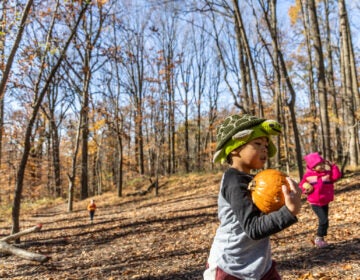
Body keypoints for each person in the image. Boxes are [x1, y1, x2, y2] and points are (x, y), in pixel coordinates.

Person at [204, 114, 302, 280]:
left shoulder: (256, 180)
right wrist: (289, 211)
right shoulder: (233, 180)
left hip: (260, 265)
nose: (265, 148)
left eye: (266, 144)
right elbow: (253, 228)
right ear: (235, 147)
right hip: (231, 268)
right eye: (257, 143)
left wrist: (286, 199)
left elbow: (265, 215)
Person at [299, 152, 341, 248]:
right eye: (319, 165)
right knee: (323, 220)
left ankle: (321, 238)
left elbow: (336, 176)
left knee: (325, 221)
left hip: (325, 201)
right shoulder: (308, 176)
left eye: (322, 164)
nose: (322, 166)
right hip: (315, 202)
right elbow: (301, 185)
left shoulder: (326, 174)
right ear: (312, 167)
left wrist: (333, 166)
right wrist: (305, 188)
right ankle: (318, 239)